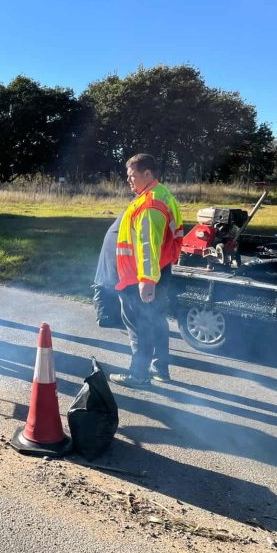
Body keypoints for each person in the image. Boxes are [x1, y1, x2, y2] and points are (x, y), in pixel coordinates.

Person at [110, 153, 183, 388]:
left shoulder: (150, 203)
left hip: (143, 277)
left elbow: (147, 244)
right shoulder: (162, 195)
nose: (128, 181)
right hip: (159, 271)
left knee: (139, 325)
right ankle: (160, 368)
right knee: (156, 320)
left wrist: (147, 280)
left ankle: (138, 374)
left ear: (147, 174)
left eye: (132, 176)